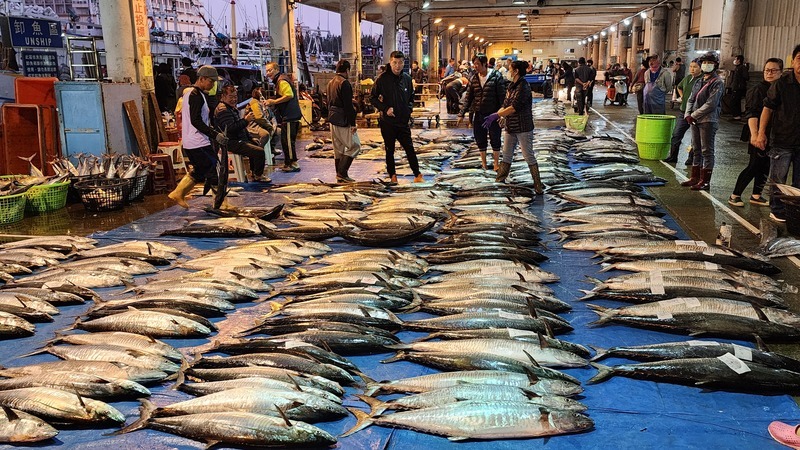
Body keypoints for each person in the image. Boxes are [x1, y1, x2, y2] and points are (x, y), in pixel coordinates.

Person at [168, 65, 229, 208]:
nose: (213, 84)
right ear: (201, 79)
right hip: (198, 141)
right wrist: (215, 135)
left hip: (194, 140)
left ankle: (178, 193)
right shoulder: (195, 95)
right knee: (214, 172)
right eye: (211, 81)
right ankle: (221, 204)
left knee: (201, 170)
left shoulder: (195, 93)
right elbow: (196, 121)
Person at [753, 44, 800, 223]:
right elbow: (767, 109)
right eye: (799, 58)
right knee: (778, 178)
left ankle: (795, 211)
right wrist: (760, 133)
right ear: (793, 61)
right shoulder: (782, 84)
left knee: (799, 182)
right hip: (782, 140)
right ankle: (777, 209)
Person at [728, 58, 784, 207]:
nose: (769, 73)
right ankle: (735, 195)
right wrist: (756, 134)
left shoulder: (781, 89)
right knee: (754, 165)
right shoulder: (758, 89)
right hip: (759, 133)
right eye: (767, 70)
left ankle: (756, 195)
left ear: (781, 72)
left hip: (773, 134)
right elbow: (751, 113)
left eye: (773, 70)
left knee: (765, 165)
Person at [486, 60, 543, 194]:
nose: (509, 71)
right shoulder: (512, 86)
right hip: (511, 126)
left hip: (523, 126)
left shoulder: (524, 86)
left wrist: (496, 115)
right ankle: (500, 179)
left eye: (511, 69)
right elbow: (506, 105)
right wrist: (501, 115)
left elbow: (514, 107)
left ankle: (538, 185)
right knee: (506, 154)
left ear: (516, 71)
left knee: (528, 155)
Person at [371, 51, 423, 183]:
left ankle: (417, 174)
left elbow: (411, 97)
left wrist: (409, 109)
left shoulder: (406, 79)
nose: (397, 66)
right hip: (387, 122)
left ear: (404, 63)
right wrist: (385, 108)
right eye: (394, 62)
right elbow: (372, 98)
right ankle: (392, 175)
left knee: (409, 148)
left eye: (400, 63)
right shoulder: (382, 79)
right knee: (390, 150)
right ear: (390, 62)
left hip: (403, 122)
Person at [681, 52, 724, 191]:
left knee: (707, 150)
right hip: (694, 120)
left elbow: (711, 104)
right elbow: (691, 99)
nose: (706, 65)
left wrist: (693, 115)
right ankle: (695, 177)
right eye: (704, 62)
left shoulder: (717, 82)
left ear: (715, 65)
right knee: (696, 149)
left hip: (708, 121)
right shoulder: (699, 80)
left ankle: (705, 181)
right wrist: (688, 114)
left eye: (709, 62)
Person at [457, 54, 508, 171]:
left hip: (493, 114)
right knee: (480, 139)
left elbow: (502, 97)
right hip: (479, 113)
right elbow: (469, 97)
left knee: (495, 139)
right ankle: (484, 163)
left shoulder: (496, 76)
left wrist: (502, 114)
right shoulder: (474, 78)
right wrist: (462, 113)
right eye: (474, 64)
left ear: (485, 64)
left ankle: (496, 163)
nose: (475, 66)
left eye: (478, 64)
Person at [214, 84, 270, 183]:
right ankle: (258, 175)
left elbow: (241, 129)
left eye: (235, 97)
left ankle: (254, 173)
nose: (234, 99)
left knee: (256, 144)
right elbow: (231, 128)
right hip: (230, 142)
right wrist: (246, 120)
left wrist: (250, 138)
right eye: (231, 97)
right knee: (259, 152)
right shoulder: (223, 110)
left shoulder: (230, 108)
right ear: (223, 96)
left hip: (238, 139)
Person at [326, 59, 361, 183]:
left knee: (338, 149)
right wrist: (352, 124)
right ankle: (342, 173)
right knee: (355, 146)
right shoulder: (344, 83)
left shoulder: (331, 82)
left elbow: (329, 102)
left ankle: (339, 175)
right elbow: (348, 106)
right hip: (343, 120)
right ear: (347, 70)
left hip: (332, 118)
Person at [265, 62, 302, 172]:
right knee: (285, 140)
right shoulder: (280, 80)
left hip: (290, 116)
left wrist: (274, 101)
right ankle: (288, 163)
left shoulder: (281, 81)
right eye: (266, 71)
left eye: (270, 70)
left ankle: (292, 163)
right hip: (288, 115)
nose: (268, 73)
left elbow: (289, 95)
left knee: (288, 141)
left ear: (276, 69)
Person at [664, 60, 702, 163]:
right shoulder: (688, 78)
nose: (692, 69)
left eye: (695, 67)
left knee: (695, 138)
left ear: (701, 68)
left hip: (696, 114)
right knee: (676, 134)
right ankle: (673, 157)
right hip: (683, 112)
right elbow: (679, 87)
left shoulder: (702, 80)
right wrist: (682, 96)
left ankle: (691, 158)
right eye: (691, 66)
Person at [730, 54, 750, 120]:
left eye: (735, 59)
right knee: (735, 101)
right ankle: (736, 116)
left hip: (738, 88)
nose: (734, 61)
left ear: (739, 60)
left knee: (734, 101)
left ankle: (737, 116)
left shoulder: (742, 68)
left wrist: (740, 83)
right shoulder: (737, 68)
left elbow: (746, 77)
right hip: (735, 87)